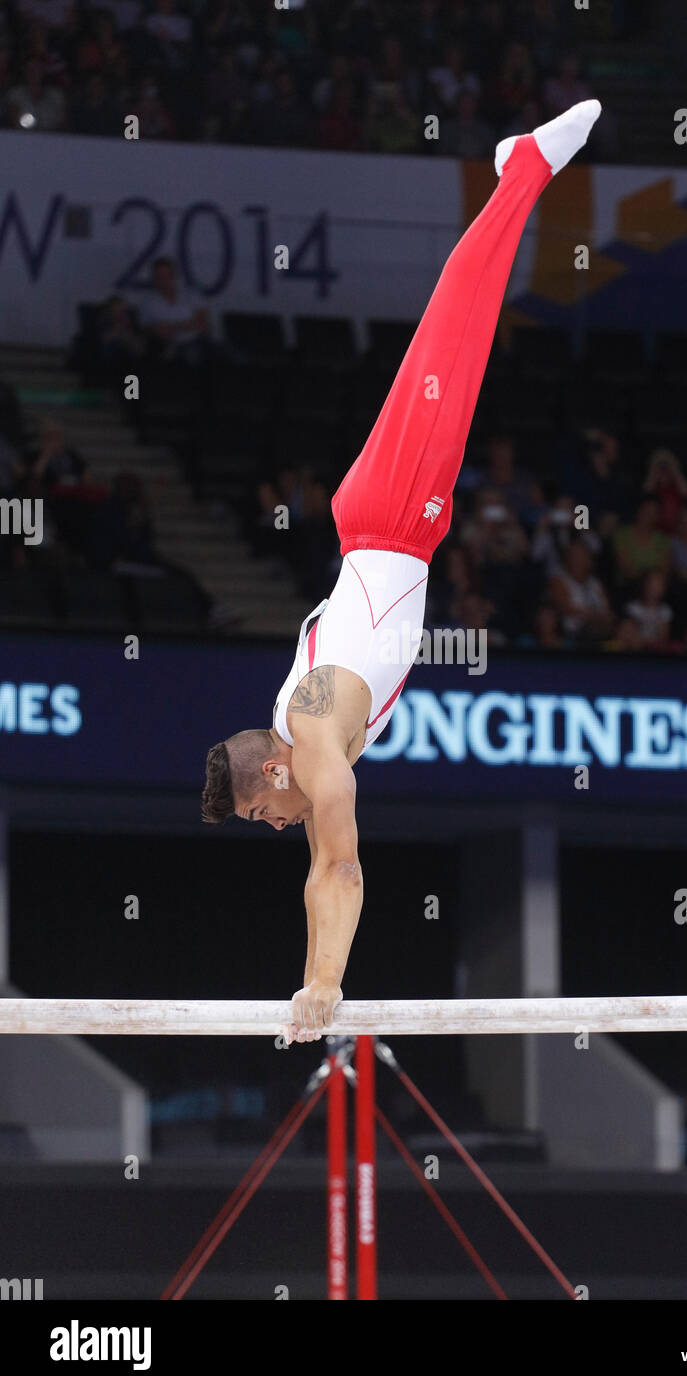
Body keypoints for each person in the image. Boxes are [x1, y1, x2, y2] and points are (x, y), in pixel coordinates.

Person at [200, 99, 603, 1040]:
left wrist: (322, 986)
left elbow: (335, 870)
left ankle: (528, 166)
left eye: (265, 812)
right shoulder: (300, 733)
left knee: (455, 331)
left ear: (275, 772)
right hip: (388, 528)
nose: (276, 824)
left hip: (389, 516)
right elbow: (315, 848)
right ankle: (517, 174)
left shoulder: (309, 731)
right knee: (458, 339)